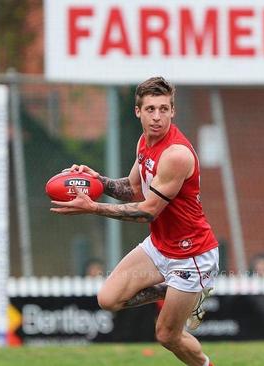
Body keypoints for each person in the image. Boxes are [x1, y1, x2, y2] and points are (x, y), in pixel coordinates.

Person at [51, 77, 218, 366]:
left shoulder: (176, 154)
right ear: (137, 111)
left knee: (167, 335)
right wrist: (97, 182)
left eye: (164, 109)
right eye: (151, 109)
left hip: (191, 254)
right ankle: (177, 289)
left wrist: (93, 207)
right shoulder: (145, 142)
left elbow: (148, 211)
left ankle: (204, 362)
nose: (157, 117)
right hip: (160, 246)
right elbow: (133, 188)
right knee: (108, 299)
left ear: (173, 111)